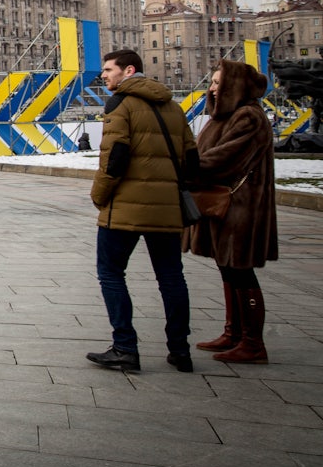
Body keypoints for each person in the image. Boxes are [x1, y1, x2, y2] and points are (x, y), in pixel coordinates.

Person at [87, 49, 197, 373]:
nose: (103, 75)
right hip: (167, 209)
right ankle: (180, 350)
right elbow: (192, 160)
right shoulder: (174, 107)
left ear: (129, 70)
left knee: (110, 273)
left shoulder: (120, 104)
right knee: (171, 277)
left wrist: (99, 196)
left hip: (125, 209)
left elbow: (114, 158)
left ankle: (124, 348)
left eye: (109, 70)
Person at [183, 60, 277, 363]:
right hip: (223, 205)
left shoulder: (248, 116)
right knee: (228, 267)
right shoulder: (226, 115)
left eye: (218, 83)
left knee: (240, 270)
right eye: (212, 82)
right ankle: (233, 332)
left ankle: (253, 343)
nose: (212, 88)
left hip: (242, 207)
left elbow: (223, 159)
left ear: (234, 85)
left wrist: (185, 168)